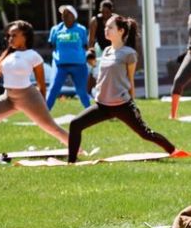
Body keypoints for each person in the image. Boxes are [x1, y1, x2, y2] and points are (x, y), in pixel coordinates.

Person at [67, 16, 181, 163]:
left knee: (146, 134)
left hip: (122, 105)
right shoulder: (106, 50)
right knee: (75, 124)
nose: (105, 30)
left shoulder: (129, 54)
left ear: (121, 31)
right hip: (102, 105)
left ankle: (174, 151)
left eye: (110, 27)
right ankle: (71, 162)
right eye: (106, 27)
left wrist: (133, 102)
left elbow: (130, 79)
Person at [0, 21, 70, 161]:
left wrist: (43, 104)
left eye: (14, 35)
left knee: (51, 128)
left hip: (29, 98)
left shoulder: (33, 56)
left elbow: (41, 84)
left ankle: (78, 149)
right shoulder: (9, 55)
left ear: (25, 37)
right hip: (8, 98)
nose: (9, 38)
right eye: (8, 36)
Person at [45, 5, 91, 110]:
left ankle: (90, 111)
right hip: (60, 65)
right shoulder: (56, 29)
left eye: (67, 14)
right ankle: (45, 113)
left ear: (74, 17)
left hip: (79, 65)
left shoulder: (81, 29)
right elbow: (51, 45)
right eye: (63, 14)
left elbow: (85, 45)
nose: (64, 16)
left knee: (81, 91)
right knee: (53, 89)